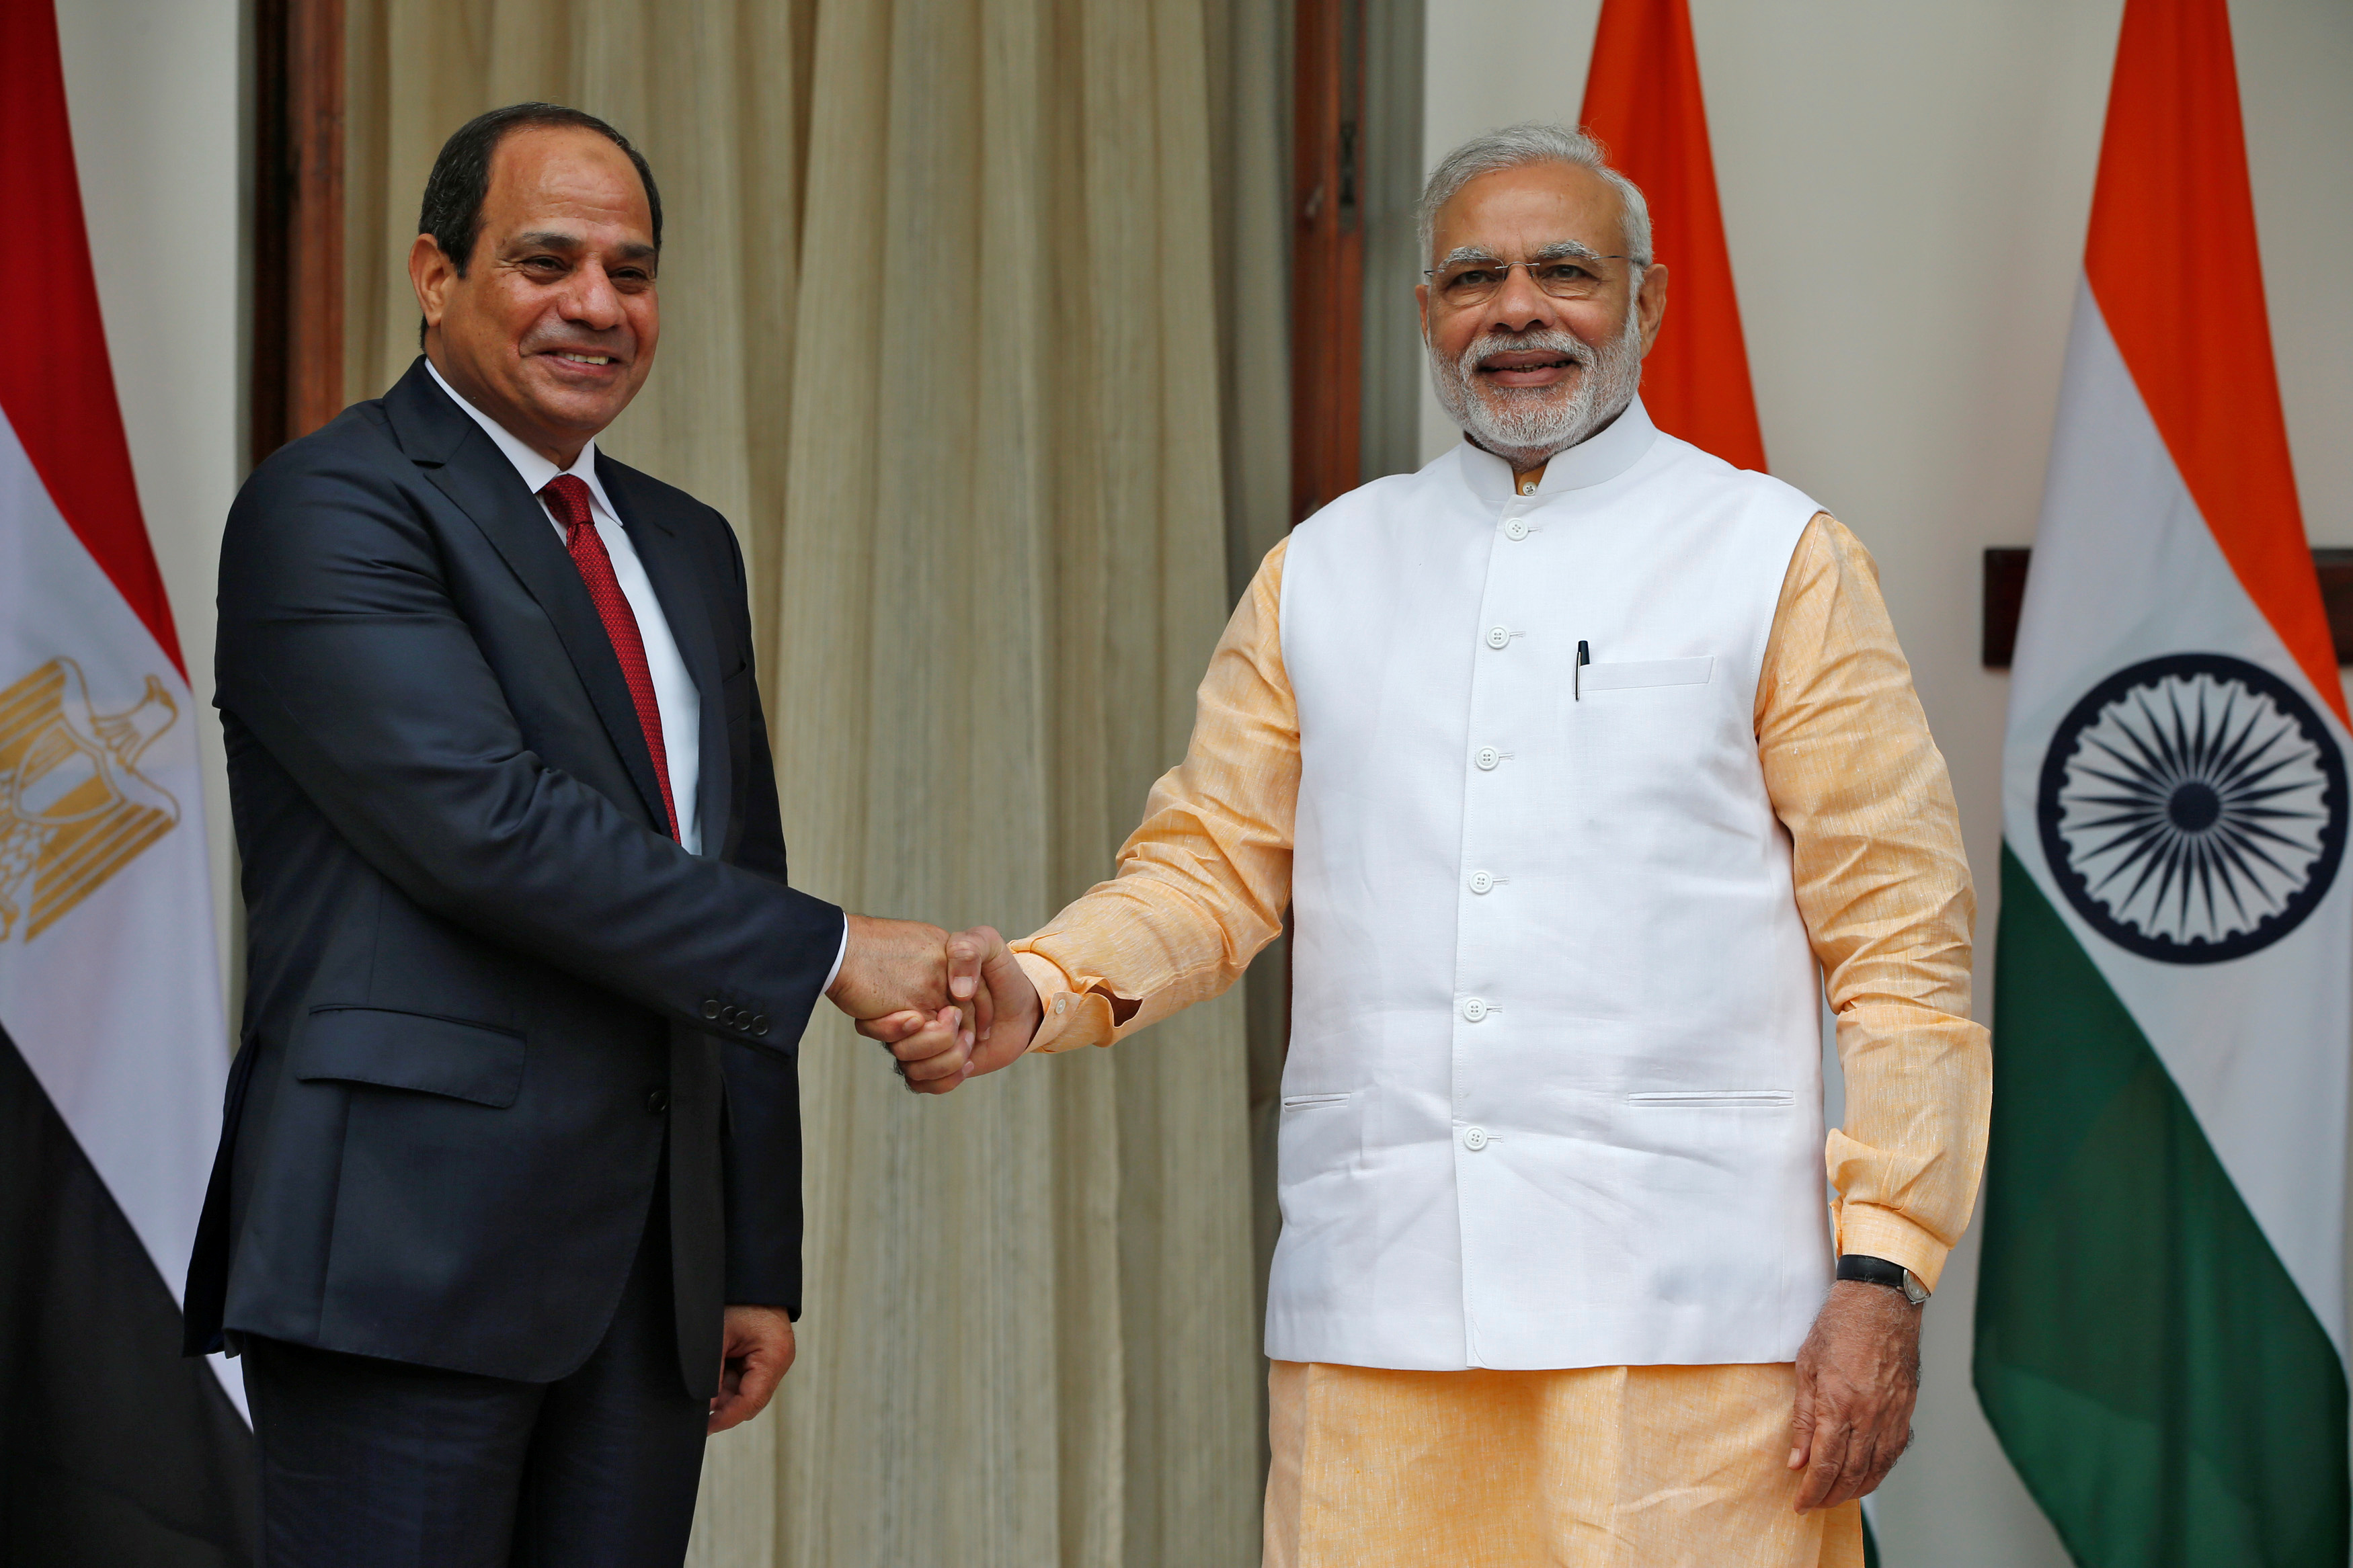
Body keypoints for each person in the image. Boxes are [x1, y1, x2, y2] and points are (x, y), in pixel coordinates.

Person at [906, 124, 1993, 1566]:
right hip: (1380, 1315)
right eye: (1474, 276)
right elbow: (1207, 868)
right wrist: (1038, 988)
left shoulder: (1773, 554)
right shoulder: (1325, 568)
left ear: (1646, 303)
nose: (1518, 308)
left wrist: (1884, 1268)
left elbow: (1899, 938)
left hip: (1694, 1325)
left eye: (1565, 271)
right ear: (1427, 315)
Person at [184, 103, 988, 1567]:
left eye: (631, 271)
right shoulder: (330, 507)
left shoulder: (684, 543)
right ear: (436, 275)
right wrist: (842, 954)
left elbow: (727, 872)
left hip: (645, 1283)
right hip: (403, 1261)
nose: (595, 307)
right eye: (545, 260)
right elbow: (485, 827)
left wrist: (751, 1255)